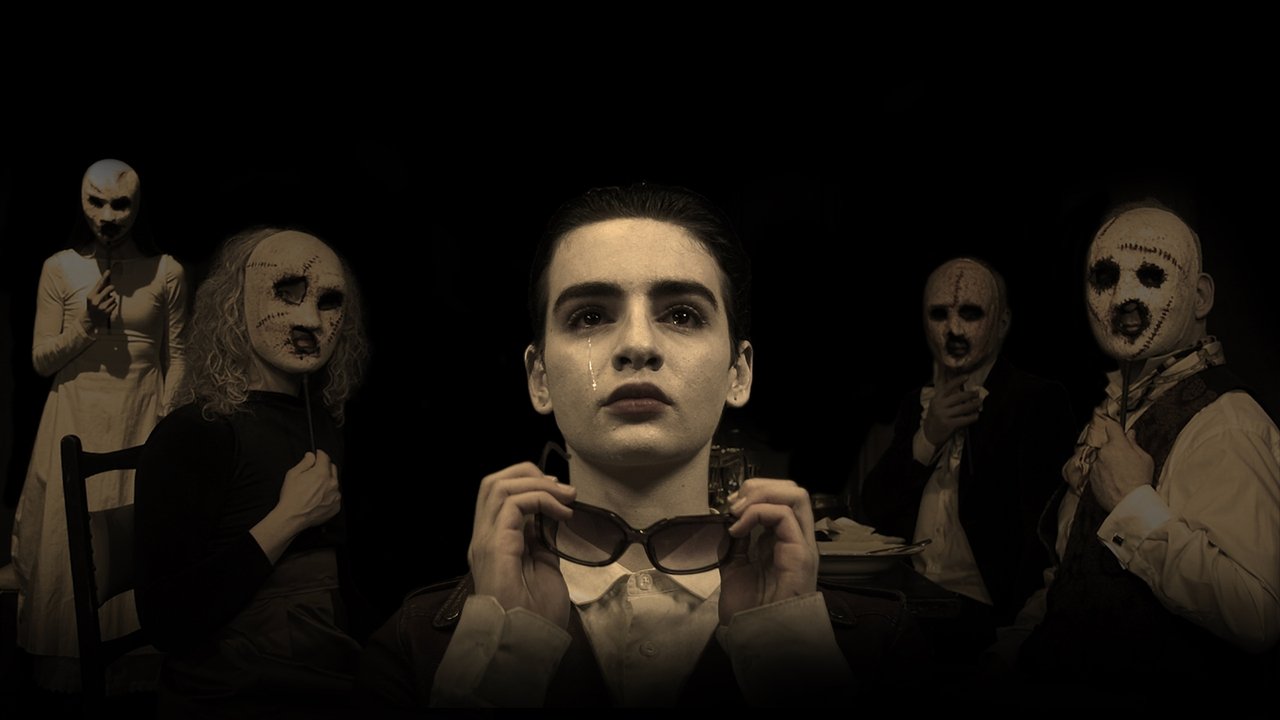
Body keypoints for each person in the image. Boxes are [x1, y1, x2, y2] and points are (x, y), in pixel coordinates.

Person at [356, 183, 927, 709]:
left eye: (682, 314)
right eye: (589, 316)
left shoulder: (882, 646)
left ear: (739, 372)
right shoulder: (413, 647)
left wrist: (790, 658)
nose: (636, 344)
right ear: (539, 378)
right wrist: (503, 661)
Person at [996, 202, 1280, 706]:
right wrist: (1011, 653)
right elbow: (1071, 575)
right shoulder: (1118, 411)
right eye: (1106, 276)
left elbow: (1258, 615)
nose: (1125, 297)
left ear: (1200, 296)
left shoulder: (1228, 423)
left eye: (1150, 275)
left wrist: (1132, 504)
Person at [134, 226, 370, 718]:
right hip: (235, 686)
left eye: (329, 301)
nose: (310, 319)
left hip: (324, 666)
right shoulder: (196, 432)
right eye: (288, 292)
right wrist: (288, 519)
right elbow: (165, 621)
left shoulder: (321, 420)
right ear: (235, 303)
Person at [2, 158, 188, 693]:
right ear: (81, 202)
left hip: (138, 418)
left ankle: (132, 671)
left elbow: (177, 356)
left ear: (138, 205)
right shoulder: (60, 268)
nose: (107, 216)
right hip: (74, 415)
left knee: (131, 534)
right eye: (96, 202)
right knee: (69, 538)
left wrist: (164, 419)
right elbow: (41, 360)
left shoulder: (167, 271)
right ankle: (66, 671)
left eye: (120, 204)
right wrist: (86, 324)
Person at [858, 258, 1076, 662]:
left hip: (984, 616)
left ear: (1002, 322)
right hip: (907, 598)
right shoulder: (917, 402)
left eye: (971, 313)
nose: (954, 330)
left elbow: (1043, 536)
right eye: (939, 314)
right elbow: (873, 509)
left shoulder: (1036, 401)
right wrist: (927, 438)